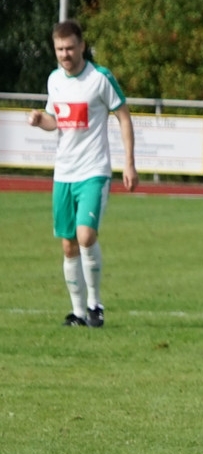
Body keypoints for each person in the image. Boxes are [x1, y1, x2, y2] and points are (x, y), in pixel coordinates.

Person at [27, 19, 138, 328]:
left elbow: (124, 116)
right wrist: (41, 120)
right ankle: (77, 312)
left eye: (70, 48)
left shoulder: (100, 78)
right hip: (63, 172)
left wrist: (129, 162)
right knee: (68, 244)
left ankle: (95, 305)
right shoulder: (54, 81)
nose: (65, 54)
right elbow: (55, 121)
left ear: (82, 46)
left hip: (94, 171)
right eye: (60, 49)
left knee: (86, 235)